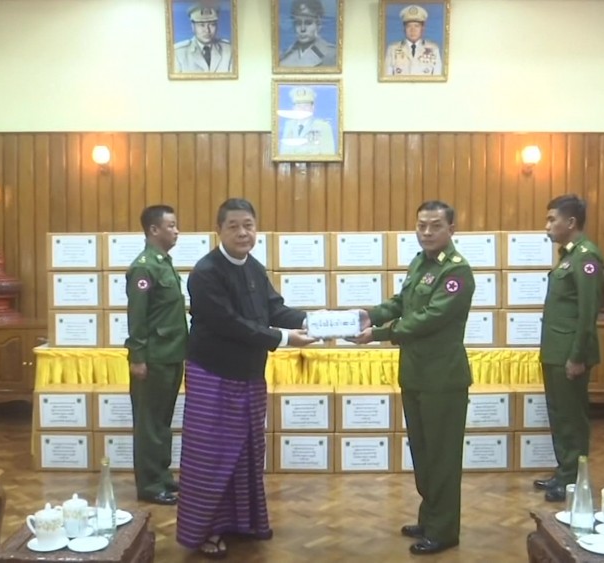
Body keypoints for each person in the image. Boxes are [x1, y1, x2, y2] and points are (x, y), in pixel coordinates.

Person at [176, 198, 318, 560]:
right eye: (234, 226)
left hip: (250, 375)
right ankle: (206, 530)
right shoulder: (205, 273)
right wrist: (283, 338)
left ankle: (243, 522)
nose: (243, 233)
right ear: (219, 230)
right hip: (213, 374)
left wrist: (317, 321)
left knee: (247, 452)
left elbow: (274, 309)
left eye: (249, 225)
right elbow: (229, 324)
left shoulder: (254, 267)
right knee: (212, 456)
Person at [349, 200, 474, 556]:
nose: (427, 232)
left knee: (442, 457)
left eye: (435, 226)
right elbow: (401, 303)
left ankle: (444, 531)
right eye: (421, 225)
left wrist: (378, 333)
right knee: (423, 452)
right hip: (416, 374)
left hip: (443, 379)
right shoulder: (421, 263)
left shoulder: (457, 271)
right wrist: (369, 314)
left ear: (451, 229)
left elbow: (430, 318)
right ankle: (430, 517)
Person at [532, 195, 604, 503]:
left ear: (571, 222)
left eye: (552, 219)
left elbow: (587, 314)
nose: (547, 226)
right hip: (555, 350)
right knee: (559, 416)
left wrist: (577, 356)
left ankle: (574, 479)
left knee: (572, 419)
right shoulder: (568, 256)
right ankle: (564, 472)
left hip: (569, 354)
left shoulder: (586, 257)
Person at [124, 205, 187, 506]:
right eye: (171, 225)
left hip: (171, 355)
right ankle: (149, 485)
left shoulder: (163, 263)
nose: (176, 231)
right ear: (153, 229)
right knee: (149, 425)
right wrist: (137, 357)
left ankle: (162, 476)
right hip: (152, 359)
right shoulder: (144, 267)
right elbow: (137, 316)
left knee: (162, 422)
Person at [384, 4, 443, 76]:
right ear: (404, 28)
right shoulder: (392, 49)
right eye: (409, 26)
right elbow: (387, 78)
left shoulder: (433, 49)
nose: (413, 30)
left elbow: (437, 78)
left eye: (416, 26)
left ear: (422, 28)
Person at [173, 4, 233, 73]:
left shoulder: (229, 50)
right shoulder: (178, 53)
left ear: (217, 25)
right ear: (192, 26)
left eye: (212, 24)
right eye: (202, 25)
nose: (207, 30)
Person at [278, 86, 336, 156]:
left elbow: (329, 155)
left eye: (306, 106)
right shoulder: (289, 125)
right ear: (293, 108)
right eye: (299, 106)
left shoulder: (323, 126)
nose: (302, 109)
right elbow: (283, 152)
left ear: (312, 108)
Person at [278, 0, 338, 68]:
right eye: (298, 23)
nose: (302, 29)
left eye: (308, 23)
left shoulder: (332, 55)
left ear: (319, 24)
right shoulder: (284, 57)